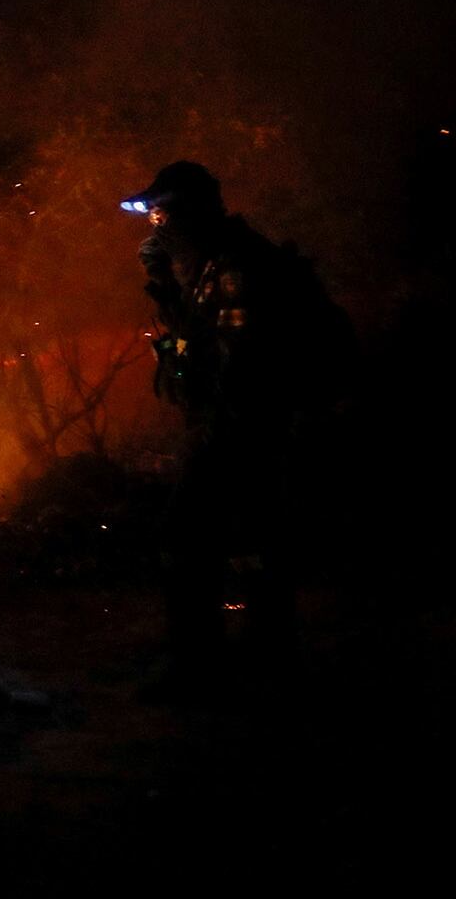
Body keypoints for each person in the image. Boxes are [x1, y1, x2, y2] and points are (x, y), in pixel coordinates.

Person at [124, 161, 348, 696]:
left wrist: (214, 433)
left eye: (162, 214)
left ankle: (201, 666)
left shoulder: (236, 267)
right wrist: (163, 283)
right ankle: (266, 659)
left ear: (192, 213)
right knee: (255, 539)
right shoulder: (211, 264)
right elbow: (191, 340)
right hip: (246, 426)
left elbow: (241, 363)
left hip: (246, 426)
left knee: (189, 535)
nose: (156, 226)